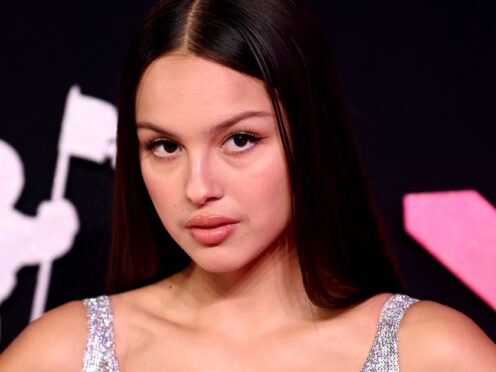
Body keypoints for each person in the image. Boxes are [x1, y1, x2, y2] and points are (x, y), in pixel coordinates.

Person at [1, 0, 495, 370]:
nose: (198, 187)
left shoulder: (432, 354)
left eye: (240, 139)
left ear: (310, 138)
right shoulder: (61, 354)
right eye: (164, 146)